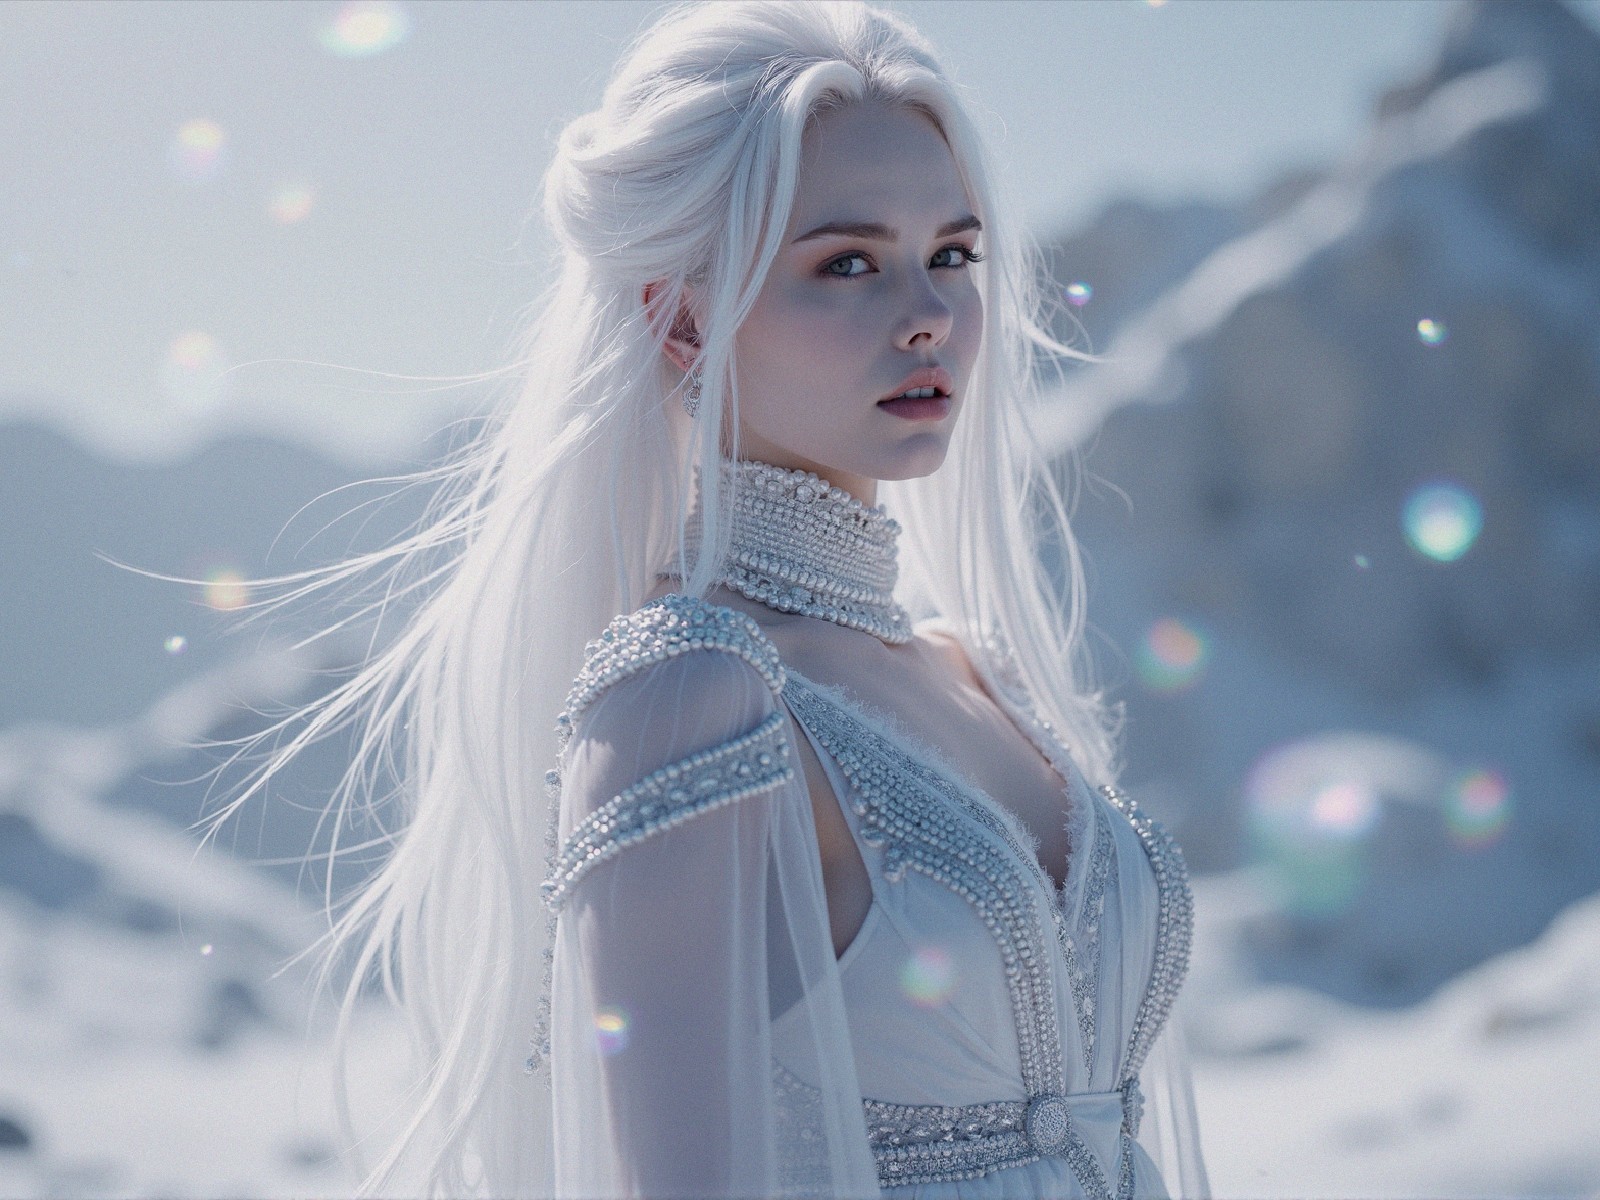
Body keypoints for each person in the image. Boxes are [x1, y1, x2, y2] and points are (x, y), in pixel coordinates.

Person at [245, 2, 1208, 1196]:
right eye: (847, 263)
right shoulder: (686, 698)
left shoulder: (983, 675)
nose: (928, 314)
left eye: (953, 255)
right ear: (683, 316)